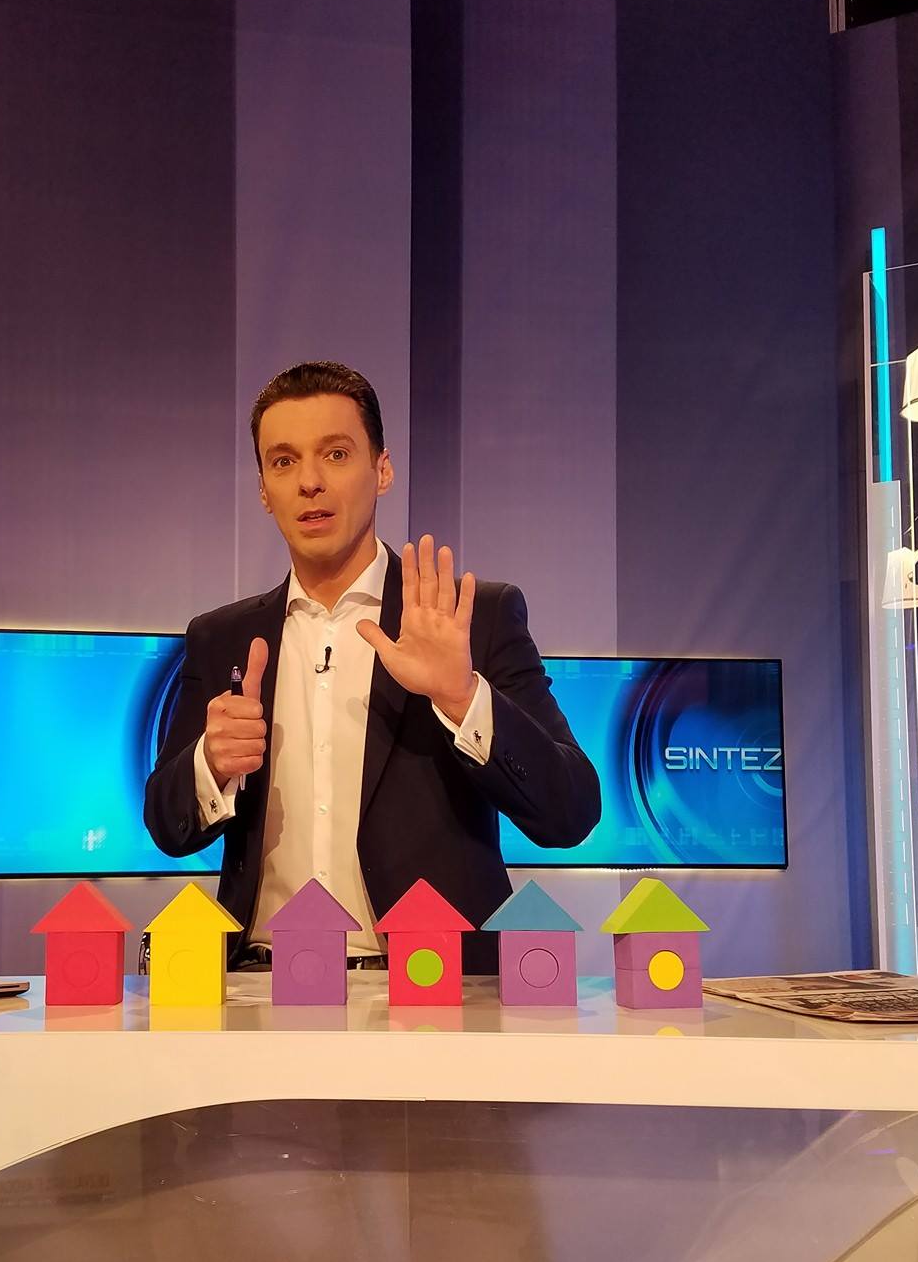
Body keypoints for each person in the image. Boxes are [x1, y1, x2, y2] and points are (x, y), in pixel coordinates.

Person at [143, 361, 600, 972]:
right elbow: (167, 826)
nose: (309, 482)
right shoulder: (221, 637)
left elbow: (570, 812)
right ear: (263, 490)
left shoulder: (470, 619)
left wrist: (463, 698)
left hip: (431, 989)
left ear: (382, 470)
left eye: (335, 454)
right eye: (284, 461)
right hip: (263, 984)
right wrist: (211, 764)